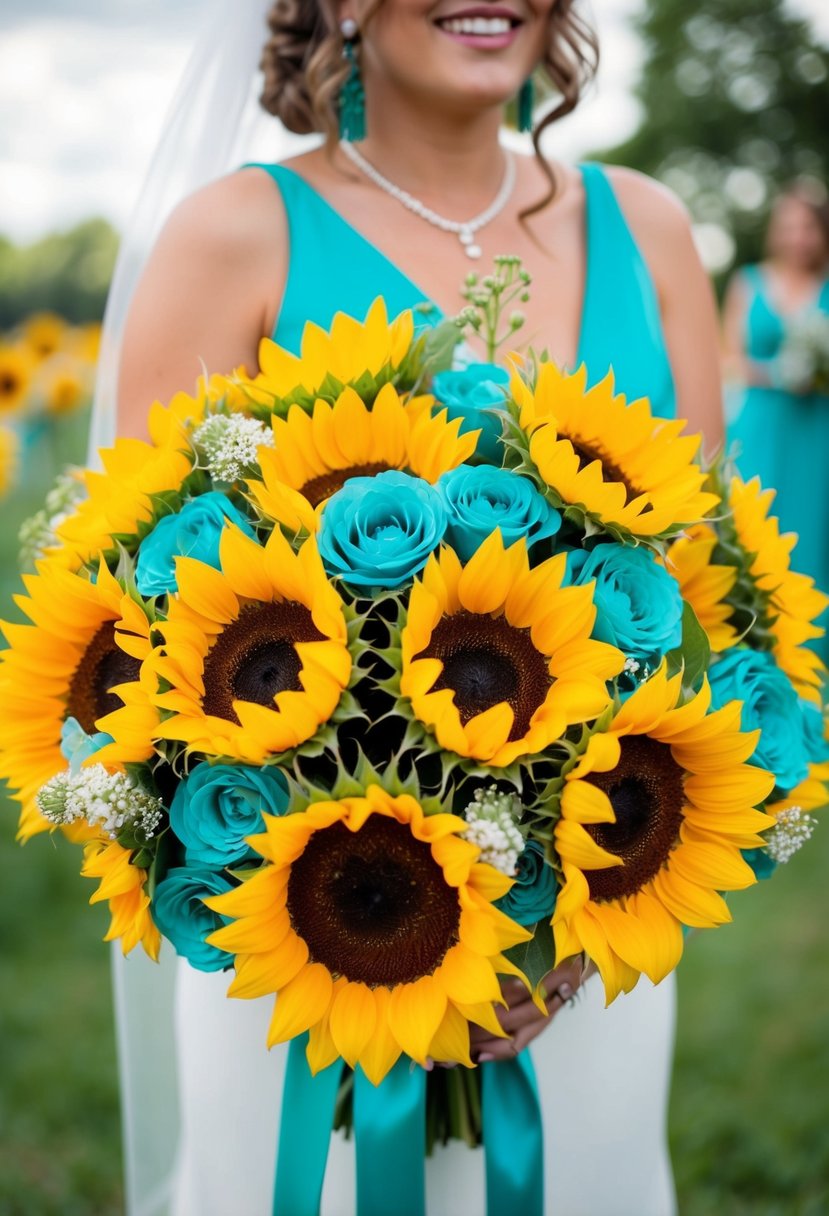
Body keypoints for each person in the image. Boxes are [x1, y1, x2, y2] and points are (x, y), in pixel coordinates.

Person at [99, 0, 724, 1212]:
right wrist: (378, 914)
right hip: (308, 929)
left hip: (587, 950)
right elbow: (142, 617)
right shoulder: (234, 232)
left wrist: (568, 917)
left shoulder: (649, 230)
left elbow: (702, 588)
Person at [723, 182, 829, 659]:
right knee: (754, 530)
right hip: (762, 423)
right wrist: (779, 372)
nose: (798, 237)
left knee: (813, 536)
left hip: (816, 429)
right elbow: (728, 358)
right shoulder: (748, 281)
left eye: (808, 226)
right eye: (789, 225)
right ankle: (751, 652)